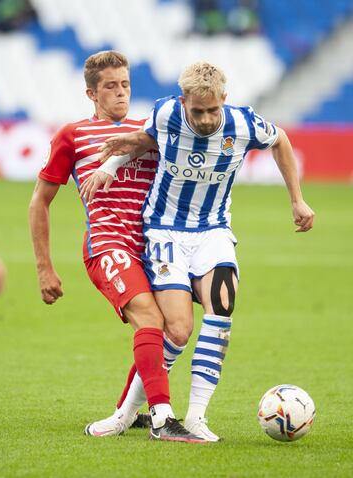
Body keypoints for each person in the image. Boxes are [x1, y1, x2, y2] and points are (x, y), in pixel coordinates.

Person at [81, 61, 315, 442]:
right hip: (165, 232)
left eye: (212, 110)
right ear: (183, 101)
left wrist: (297, 200)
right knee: (177, 329)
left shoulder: (243, 123)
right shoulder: (166, 112)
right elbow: (144, 139)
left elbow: (281, 141)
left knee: (221, 312)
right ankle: (125, 414)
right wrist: (110, 164)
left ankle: (195, 418)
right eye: (197, 111)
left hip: (214, 232)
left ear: (225, 99)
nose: (206, 119)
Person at [28, 50, 206, 444]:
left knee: (176, 330)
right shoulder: (72, 135)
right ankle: (163, 417)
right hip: (107, 245)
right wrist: (45, 267)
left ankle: (125, 414)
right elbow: (39, 200)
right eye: (110, 86)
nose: (121, 93)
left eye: (125, 84)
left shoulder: (148, 131)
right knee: (149, 318)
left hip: (153, 247)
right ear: (91, 93)